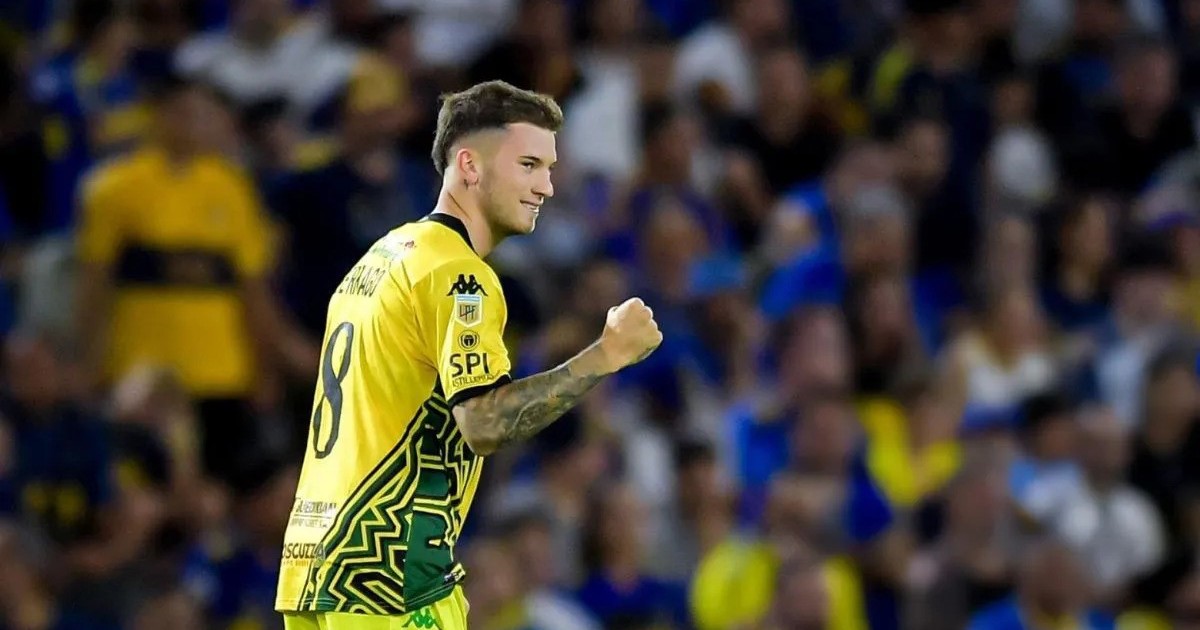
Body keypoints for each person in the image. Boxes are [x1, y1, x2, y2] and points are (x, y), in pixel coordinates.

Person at [275, 80, 664, 630]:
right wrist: (606, 355)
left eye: (549, 168)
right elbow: (483, 422)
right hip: (392, 574)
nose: (546, 186)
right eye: (528, 165)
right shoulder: (460, 276)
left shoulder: (384, 257)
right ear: (469, 165)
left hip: (317, 566)